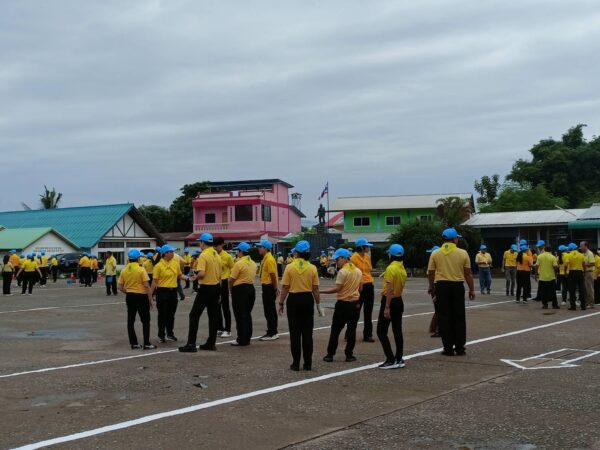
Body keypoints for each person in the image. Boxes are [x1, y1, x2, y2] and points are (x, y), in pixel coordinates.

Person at [427, 228, 475, 357]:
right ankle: (460, 347)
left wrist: (431, 286)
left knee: (444, 317)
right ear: (454, 239)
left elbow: (431, 273)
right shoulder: (463, 253)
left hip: (441, 286)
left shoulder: (435, 253)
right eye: (457, 238)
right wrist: (471, 289)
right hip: (457, 287)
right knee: (459, 317)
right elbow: (468, 274)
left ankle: (448, 348)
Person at [278, 240, 321, 371]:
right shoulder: (312, 268)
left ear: (296, 253)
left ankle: (295, 363)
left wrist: (281, 303)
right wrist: (318, 304)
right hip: (307, 300)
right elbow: (315, 288)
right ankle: (308, 364)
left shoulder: (290, 267)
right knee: (307, 333)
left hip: (294, 300)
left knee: (295, 333)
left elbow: (285, 287)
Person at [179, 233, 222, 352]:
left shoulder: (203, 255)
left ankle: (191, 344)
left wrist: (195, 277)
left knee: (194, 315)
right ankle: (211, 343)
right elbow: (219, 275)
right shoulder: (216, 255)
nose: (200, 244)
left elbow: (202, 273)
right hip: (216, 287)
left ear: (203, 243)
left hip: (206, 288)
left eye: (200, 242)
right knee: (213, 316)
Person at [322, 248, 362, 363]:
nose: (336, 262)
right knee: (352, 329)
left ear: (344, 258)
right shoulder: (358, 271)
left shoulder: (342, 272)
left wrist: (320, 291)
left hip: (343, 304)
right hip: (354, 303)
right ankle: (349, 355)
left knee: (335, 330)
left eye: (338, 259)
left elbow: (337, 288)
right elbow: (361, 288)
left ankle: (330, 354)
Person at [377, 244, 408, 369]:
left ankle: (390, 359)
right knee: (397, 330)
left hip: (390, 300)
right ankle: (399, 358)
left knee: (381, 331)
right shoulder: (402, 267)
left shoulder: (390, 268)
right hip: (399, 300)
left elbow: (389, 289)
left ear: (391, 255)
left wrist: (387, 307)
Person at [118, 249, 156, 350]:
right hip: (141, 297)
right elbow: (147, 285)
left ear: (129, 259)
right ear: (138, 258)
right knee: (145, 320)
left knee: (130, 320)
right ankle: (146, 343)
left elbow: (120, 287)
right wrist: (150, 299)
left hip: (130, 296)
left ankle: (134, 343)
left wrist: (129, 292)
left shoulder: (124, 270)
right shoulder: (141, 269)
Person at [153, 244, 189, 343]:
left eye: (173, 251)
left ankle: (170, 334)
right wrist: (151, 295)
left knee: (171, 314)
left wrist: (188, 278)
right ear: (165, 253)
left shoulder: (175, 263)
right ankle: (161, 335)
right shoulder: (158, 266)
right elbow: (154, 282)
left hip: (173, 292)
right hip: (162, 292)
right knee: (162, 315)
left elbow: (179, 275)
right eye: (171, 252)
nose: (173, 253)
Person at [229, 242, 257, 347]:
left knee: (240, 315)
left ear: (241, 252)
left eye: (238, 251)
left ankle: (241, 339)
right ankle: (247, 337)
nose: (237, 253)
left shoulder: (239, 263)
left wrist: (231, 291)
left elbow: (231, 280)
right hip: (251, 289)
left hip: (240, 290)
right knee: (247, 314)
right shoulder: (253, 263)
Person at [350, 238, 376, 343]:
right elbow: (353, 274)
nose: (368, 248)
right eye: (367, 246)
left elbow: (369, 270)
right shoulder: (353, 258)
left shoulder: (367, 257)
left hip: (369, 285)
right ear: (361, 247)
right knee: (355, 311)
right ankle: (349, 333)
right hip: (359, 287)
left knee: (368, 311)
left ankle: (368, 335)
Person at [256, 239, 279, 341]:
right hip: (267, 286)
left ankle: (273, 332)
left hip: (269, 286)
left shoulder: (269, 259)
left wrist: (275, 288)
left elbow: (273, 275)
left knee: (270, 310)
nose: (259, 248)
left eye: (260, 247)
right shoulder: (266, 258)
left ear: (265, 248)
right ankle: (271, 331)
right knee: (268, 310)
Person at [214, 237, 234, 338]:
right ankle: (220, 327)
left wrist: (230, 281)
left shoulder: (227, 256)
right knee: (216, 306)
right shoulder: (213, 255)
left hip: (224, 282)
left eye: (217, 245)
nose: (215, 248)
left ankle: (228, 329)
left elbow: (233, 269)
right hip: (215, 282)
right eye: (214, 246)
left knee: (225, 307)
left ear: (222, 245)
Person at [534, 242, 559, 309]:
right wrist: (556, 272)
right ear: (551, 250)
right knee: (553, 292)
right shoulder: (553, 257)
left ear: (544, 249)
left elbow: (536, 266)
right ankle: (554, 305)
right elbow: (555, 267)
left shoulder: (540, 256)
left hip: (542, 277)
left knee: (543, 292)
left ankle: (545, 305)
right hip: (551, 277)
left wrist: (536, 275)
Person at [566, 242, 586, 311]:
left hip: (572, 272)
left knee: (572, 290)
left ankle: (573, 306)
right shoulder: (581, 255)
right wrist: (584, 271)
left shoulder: (569, 255)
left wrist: (566, 272)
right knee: (581, 289)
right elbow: (584, 264)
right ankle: (583, 306)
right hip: (580, 272)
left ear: (570, 248)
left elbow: (566, 265)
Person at [426, 246, 441, 338]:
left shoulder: (433, 263)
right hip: (437, 287)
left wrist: (430, 286)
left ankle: (435, 328)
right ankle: (436, 328)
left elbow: (430, 276)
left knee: (438, 309)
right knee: (439, 309)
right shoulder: (440, 263)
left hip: (435, 287)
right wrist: (430, 286)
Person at [580, 241, 595, 309]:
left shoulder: (590, 253)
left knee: (589, 289)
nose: (580, 247)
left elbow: (593, 263)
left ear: (586, 246)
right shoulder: (583, 254)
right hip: (584, 273)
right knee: (585, 289)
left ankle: (591, 304)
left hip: (589, 272)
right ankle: (586, 302)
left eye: (581, 246)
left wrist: (584, 264)